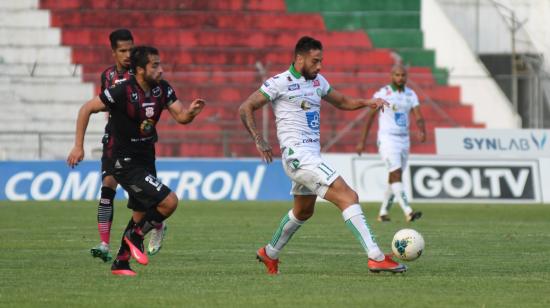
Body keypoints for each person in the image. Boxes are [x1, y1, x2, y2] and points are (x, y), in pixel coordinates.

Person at [239, 36, 407, 275]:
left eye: (321, 61)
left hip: (309, 156)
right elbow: (245, 107)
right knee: (349, 196)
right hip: (299, 157)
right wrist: (259, 139)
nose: (319, 66)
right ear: (299, 58)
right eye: (315, 61)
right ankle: (376, 256)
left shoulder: (318, 81)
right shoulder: (279, 82)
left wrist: (366, 102)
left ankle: (270, 252)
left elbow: (342, 101)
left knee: (304, 211)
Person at [68, 45, 205, 275]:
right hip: (123, 160)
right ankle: (135, 236)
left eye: (160, 64)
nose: (161, 70)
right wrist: (78, 146)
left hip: (146, 157)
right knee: (169, 202)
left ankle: (121, 262)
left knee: (140, 212)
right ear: (140, 69)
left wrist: (190, 113)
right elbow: (86, 109)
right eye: (155, 65)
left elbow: (181, 116)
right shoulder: (122, 91)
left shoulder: (162, 89)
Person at [90, 29, 167, 262]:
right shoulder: (108, 76)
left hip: (139, 145)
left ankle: (155, 225)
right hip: (114, 140)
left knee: (144, 201)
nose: (127, 55)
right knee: (107, 186)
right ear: (113, 52)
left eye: (130, 50)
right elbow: (103, 103)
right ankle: (105, 243)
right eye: (122, 50)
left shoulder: (143, 75)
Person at [355, 64, 426, 222]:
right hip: (388, 139)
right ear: (391, 76)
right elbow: (370, 117)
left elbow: (418, 115)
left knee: (395, 177)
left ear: (406, 77)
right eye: (397, 75)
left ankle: (383, 213)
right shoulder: (383, 94)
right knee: (395, 174)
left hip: (404, 140)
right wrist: (362, 141)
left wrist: (422, 130)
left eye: (403, 75)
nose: (400, 78)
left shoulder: (411, 94)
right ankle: (408, 211)